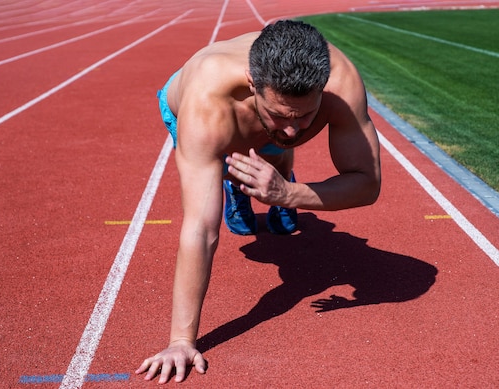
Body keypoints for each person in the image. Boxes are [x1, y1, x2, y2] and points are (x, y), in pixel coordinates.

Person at [136, 20, 381, 384]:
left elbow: (368, 185)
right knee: (232, 166)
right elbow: (201, 229)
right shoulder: (208, 102)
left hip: (263, 127)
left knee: (278, 151)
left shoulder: (340, 82)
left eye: (306, 116)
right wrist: (180, 341)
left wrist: (289, 194)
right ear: (253, 83)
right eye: (280, 114)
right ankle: (239, 181)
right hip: (203, 112)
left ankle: (272, 179)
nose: (293, 130)